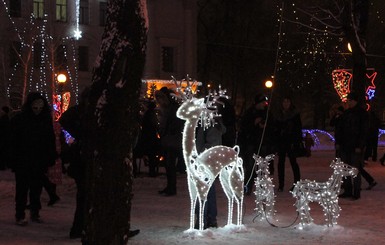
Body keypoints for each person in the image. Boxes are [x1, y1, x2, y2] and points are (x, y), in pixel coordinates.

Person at [8, 92, 57, 226]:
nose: (37, 111)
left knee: (36, 188)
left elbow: (49, 140)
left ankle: (34, 212)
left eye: (40, 108)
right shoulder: (20, 120)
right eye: (35, 108)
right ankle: (20, 214)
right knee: (22, 189)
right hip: (23, 160)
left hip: (38, 160)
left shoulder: (44, 121)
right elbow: (12, 141)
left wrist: (50, 156)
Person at [336, 92, 376, 200]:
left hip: (355, 145)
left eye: (350, 100)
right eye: (348, 100)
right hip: (346, 145)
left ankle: (356, 192)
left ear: (355, 101)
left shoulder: (361, 114)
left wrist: (360, 145)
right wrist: (338, 142)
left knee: (355, 169)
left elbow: (364, 131)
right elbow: (340, 129)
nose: (348, 102)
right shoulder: (346, 113)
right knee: (346, 168)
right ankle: (348, 190)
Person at [238, 93, 275, 195]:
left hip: (263, 143)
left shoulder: (267, 113)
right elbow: (244, 127)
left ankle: (262, 188)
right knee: (250, 166)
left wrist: (265, 126)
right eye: (262, 102)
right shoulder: (249, 113)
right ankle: (248, 187)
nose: (264, 104)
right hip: (251, 143)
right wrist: (254, 124)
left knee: (262, 167)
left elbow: (272, 127)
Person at [194, 111, 226, 229]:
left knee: (203, 189)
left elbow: (211, 144)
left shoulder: (210, 124)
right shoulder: (211, 123)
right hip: (210, 160)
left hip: (207, 160)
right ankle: (210, 218)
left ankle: (204, 218)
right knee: (209, 189)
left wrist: (201, 154)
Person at [155, 87, 183, 196]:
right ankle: (170, 186)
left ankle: (172, 188)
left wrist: (167, 131)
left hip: (172, 140)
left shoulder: (173, 108)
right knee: (168, 165)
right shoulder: (168, 108)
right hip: (168, 139)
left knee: (170, 164)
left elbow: (175, 124)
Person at [274, 96, 302, 192]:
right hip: (282, 141)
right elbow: (276, 129)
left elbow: (298, 129)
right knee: (280, 163)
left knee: (293, 162)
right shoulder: (279, 115)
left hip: (291, 141)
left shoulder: (294, 114)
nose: (286, 104)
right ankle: (281, 185)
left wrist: (296, 141)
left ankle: (297, 183)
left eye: (287, 102)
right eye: (284, 102)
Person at [134, 101, 161, 177]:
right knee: (152, 155)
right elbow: (155, 125)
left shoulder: (147, 114)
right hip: (150, 137)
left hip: (146, 137)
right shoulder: (151, 115)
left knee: (150, 155)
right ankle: (152, 171)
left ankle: (150, 170)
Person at [0, 106, 10, 170]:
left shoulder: (3, 119)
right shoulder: (6, 118)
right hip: (4, 138)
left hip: (2, 138)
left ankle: (2, 166)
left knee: (2, 152)